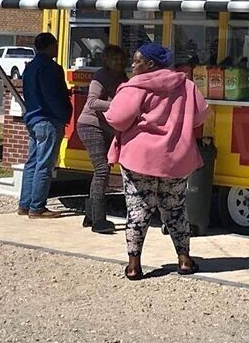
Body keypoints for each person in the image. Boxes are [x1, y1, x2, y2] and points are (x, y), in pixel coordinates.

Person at [105, 43, 208, 280]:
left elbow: (118, 119)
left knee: (138, 210)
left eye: (137, 61)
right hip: (176, 158)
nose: (132, 65)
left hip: (139, 158)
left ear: (150, 64)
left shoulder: (135, 87)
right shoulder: (187, 85)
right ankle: (184, 260)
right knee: (175, 208)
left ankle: (134, 266)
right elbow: (200, 115)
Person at [18, 32, 72, 219]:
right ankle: (37, 207)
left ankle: (24, 204)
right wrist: (64, 114)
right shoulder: (51, 68)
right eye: (55, 44)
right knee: (45, 165)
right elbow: (53, 96)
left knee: (32, 163)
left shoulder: (30, 67)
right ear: (50, 46)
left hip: (33, 118)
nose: (57, 48)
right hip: (48, 119)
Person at [76, 44, 127, 234]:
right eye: (114, 59)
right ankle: (99, 221)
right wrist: (115, 104)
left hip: (108, 128)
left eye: (121, 59)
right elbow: (92, 102)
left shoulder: (123, 78)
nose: (118, 62)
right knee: (102, 170)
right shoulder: (100, 76)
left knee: (103, 170)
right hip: (90, 125)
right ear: (105, 60)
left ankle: (90, 215)